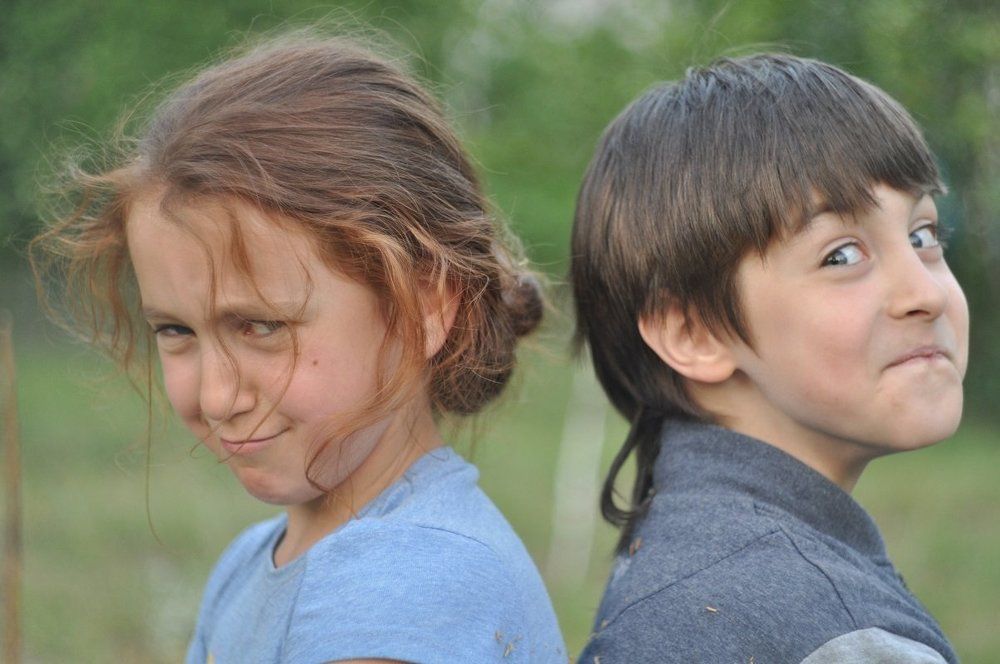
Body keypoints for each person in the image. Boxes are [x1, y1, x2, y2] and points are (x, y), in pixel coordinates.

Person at [31, 31, 565, 664]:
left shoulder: (408, 587)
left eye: (261, 326)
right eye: (175, 331)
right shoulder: (251, 563)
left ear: (424, 308)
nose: (215, 398)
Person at [571, 54, 965, 663]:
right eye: (841, 255)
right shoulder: (831, 633)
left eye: (922, 236)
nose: (926, 293)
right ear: (692, 332)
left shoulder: (689, 562)